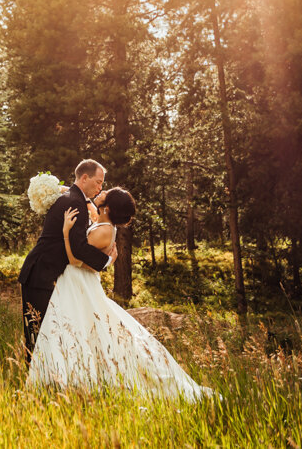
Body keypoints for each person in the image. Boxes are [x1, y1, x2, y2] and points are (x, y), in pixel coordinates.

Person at [26, 187, 212, 400]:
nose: (102, 191)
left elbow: (75, 259)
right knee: (80, 327)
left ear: (108, 207)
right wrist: (70, 190)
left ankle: (77, 379)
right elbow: (89, 212)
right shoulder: (102, 223)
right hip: (77, 281)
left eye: (106, 193)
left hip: (78, 282)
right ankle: (63, 379)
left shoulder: (104, 231)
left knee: (85, 327)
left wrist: (67, 232)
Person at [18, 159, 118, 362]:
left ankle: (40, 380)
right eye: (98, 182)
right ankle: (30, 382)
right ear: (84, 178)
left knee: (43, 335)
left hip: (43, 273)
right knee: (37, 336)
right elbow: (79, 248)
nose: (100, 188)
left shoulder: (73, 197)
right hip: (40, 274)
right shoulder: (74, 201)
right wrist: (106, 261)